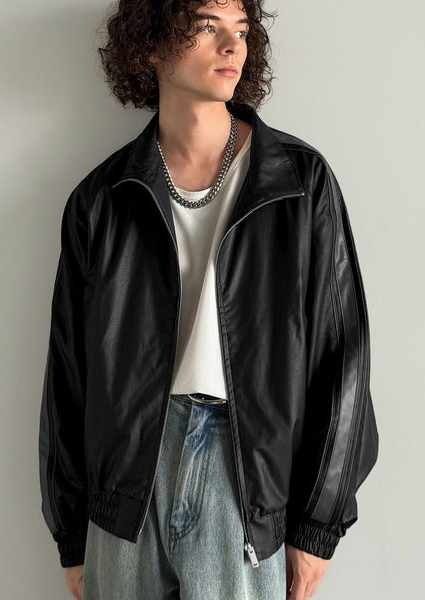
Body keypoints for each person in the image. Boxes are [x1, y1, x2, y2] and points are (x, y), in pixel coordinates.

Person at [38, 1, 379, 599]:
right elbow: (69, 376)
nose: (232, 46)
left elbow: (342, 357)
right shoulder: (101, 200)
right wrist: (72, 533)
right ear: (150, 44)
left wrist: (316, 526)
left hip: (243, 472)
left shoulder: (300, 183)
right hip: (124, 484)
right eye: (206, 26)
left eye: (241, 30)